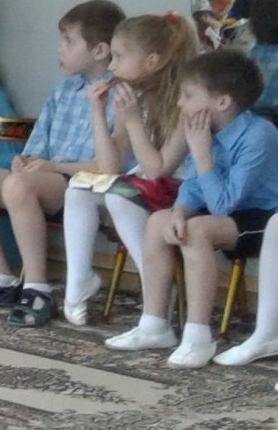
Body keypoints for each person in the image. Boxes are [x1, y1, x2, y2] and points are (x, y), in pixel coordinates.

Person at [0, 0, 123, 325]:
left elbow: (110, 166)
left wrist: (50, 168)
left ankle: (38, 287)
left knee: (19, 186)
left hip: (84, 186)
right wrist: (23, 160)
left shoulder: (120, 95)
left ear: (99, 50)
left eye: (69, 41)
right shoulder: (64, 91)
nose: (60, 49)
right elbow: (38, 146)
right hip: (44, 178)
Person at [105, 49, 278, 368]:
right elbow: (195, 187)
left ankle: (198, 336)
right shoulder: (203, 130)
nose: (179, 103)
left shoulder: (259, 135)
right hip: (225, 210)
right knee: (158, 221)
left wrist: (201, 152)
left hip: (264, 219)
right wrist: (180, 211)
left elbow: (223, 204)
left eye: (188, 95)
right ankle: (154, 324)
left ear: (222, 102)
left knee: (197, 231)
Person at [58, 13, 200, 325]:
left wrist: (134, 121)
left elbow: (159, 170)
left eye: (119, 57)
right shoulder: (134, 97)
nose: (111, 66)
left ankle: (157, 287)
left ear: (152, 61)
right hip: (145, 187)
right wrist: (98, 111)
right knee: (78, 190)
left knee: (119, 195)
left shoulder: (185, 104)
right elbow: (109, 166)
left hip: (183, 192)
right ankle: (78, 281)